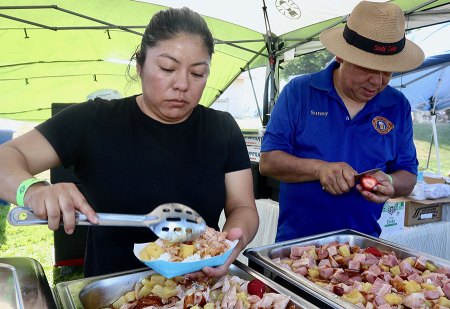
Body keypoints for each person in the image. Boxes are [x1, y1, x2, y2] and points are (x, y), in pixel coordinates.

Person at [0, 7, 258, 277]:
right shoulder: (94, 120)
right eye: (167, 68)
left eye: (197, 74)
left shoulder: (222, 128)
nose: (182, 84)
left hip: (200, 287)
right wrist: (33, 190)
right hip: (112, 292)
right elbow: (6, 156)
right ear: (140, 65)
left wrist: (229, 243)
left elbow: (242, 206)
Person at [259, 1, 425, 242]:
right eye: (368, 67)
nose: (377, 81)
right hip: (295, 248)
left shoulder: (397, 106)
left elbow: (408, 175)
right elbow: (269, 162)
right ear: (341, 56)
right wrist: (320, 169)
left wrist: (389, 181)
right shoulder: (299, 92)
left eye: (387, 72)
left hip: (363, 247)